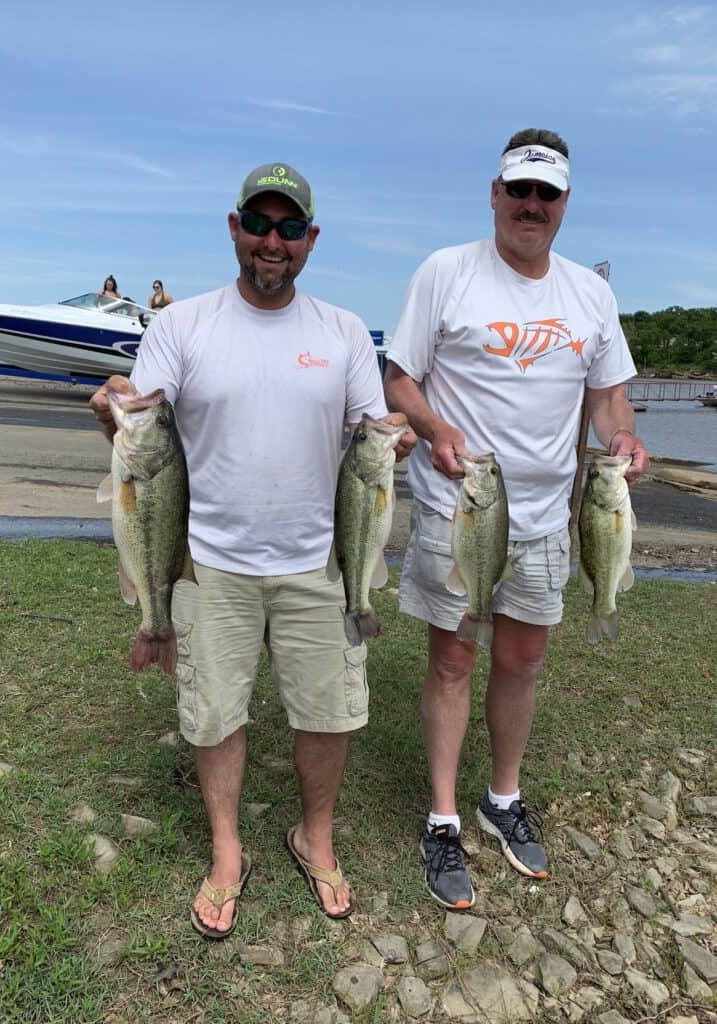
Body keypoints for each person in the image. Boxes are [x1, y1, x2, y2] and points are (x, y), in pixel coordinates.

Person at [90, 161, 415, 938]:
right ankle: (228, 851)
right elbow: (142, 416)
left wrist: (394, 445)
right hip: (207, 560)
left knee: (327, 712)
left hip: (318, 561)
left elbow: (372, 431)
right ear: (234, 229)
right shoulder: (182, 325)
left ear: (310, 240)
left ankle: (316, 835)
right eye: (260, 225)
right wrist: (114, 408)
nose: (274, 242)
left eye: (290, 228)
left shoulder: (340, 332)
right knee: (213, 714)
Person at [384, 128, 649, 910]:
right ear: (494, 194)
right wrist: (434, 430)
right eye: (519, 190)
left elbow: (606, 395)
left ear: (563, 204)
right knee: (454, 658)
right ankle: (440, 819)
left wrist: (622, 434)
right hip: (460, 503)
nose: (531, 206)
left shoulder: (588, 294)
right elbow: (400, 378)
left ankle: (501, 799)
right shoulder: (445, 272)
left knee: (524, 660)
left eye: (547, 194)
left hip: (544, 515)